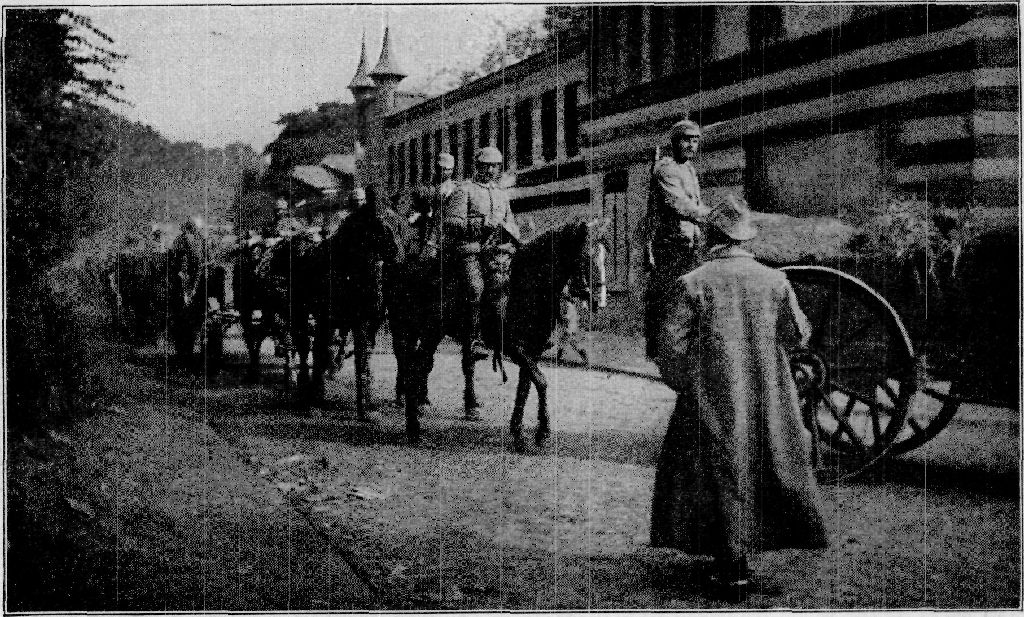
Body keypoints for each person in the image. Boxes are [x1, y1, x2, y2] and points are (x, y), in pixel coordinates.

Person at [649, 195, 828, 602]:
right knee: (767, 460)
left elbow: (669, 347)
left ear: (712, 236)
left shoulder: (693, 282)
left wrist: (688, 385)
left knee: (714, 468)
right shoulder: (774, 280)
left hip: (712, 391)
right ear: (745, 238)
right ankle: (744, 557)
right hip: (767, 392)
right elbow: (797, 336)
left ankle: (727, 562)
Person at [443, 146, 521, 364]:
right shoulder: (464, 190)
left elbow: (511, 223)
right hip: (471, 251)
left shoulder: (501, 194)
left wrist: (514, 236)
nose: (490, 170)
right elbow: (451, 222)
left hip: (497, 253)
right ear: (477, 167)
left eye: (495, 166)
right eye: (486, 166)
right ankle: (474, 339)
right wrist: (481, 223)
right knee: (476, 288)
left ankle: (513, 335)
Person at [644, 119, 711, 359]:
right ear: (674, 143)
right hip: (672, 245)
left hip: (691, 243)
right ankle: (662, 348)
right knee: (670, 295)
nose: (692, 145)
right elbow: (680, 204)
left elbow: (695, 201)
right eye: (686, 140)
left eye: (695, 141)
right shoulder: (667, 169)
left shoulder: (689, 169)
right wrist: (709, 216)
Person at [410, 153, 456, 258]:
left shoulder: (455, 188)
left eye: (448, 169)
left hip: (446, 227)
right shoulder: (428, 187)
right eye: (442, 169)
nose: (445, 172)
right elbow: (418, 207)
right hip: (428, 227)